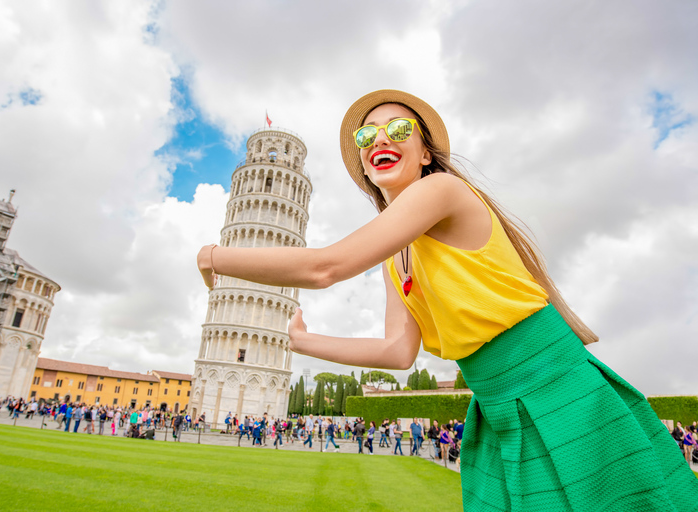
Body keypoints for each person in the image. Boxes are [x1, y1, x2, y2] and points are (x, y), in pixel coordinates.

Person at [197, 89, 698, 510]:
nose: (379, 142)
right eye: (366, 137)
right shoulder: (400, 258)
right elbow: (397, 352)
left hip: (553, 388)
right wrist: (305, 343)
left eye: (398, 130)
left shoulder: (442, 191)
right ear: (367, 170)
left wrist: (216, 255)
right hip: (496, 407)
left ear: (425, 153)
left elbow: (325, 267)